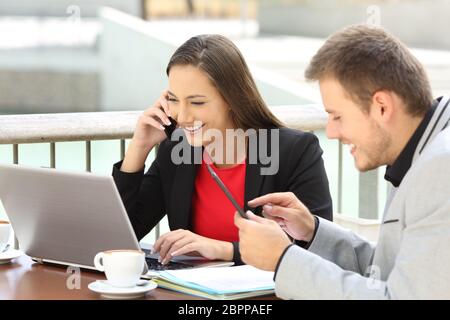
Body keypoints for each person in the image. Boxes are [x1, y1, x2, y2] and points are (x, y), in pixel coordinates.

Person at [235, 25, 450, 299]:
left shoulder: (441, 169)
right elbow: (387, 271)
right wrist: (312, 231)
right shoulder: (424, 152)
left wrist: (283, 259)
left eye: (337, 116)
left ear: (382, 106)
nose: (332, 132)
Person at [112, 34, 333, 266]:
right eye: (174, 100)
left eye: (197, 102)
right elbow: (120, 238)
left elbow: (317, 247)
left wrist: (223, 249)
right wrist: (140, 147)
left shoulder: (294, 151)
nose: (183, 117)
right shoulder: (178, 150)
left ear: (231, 98)